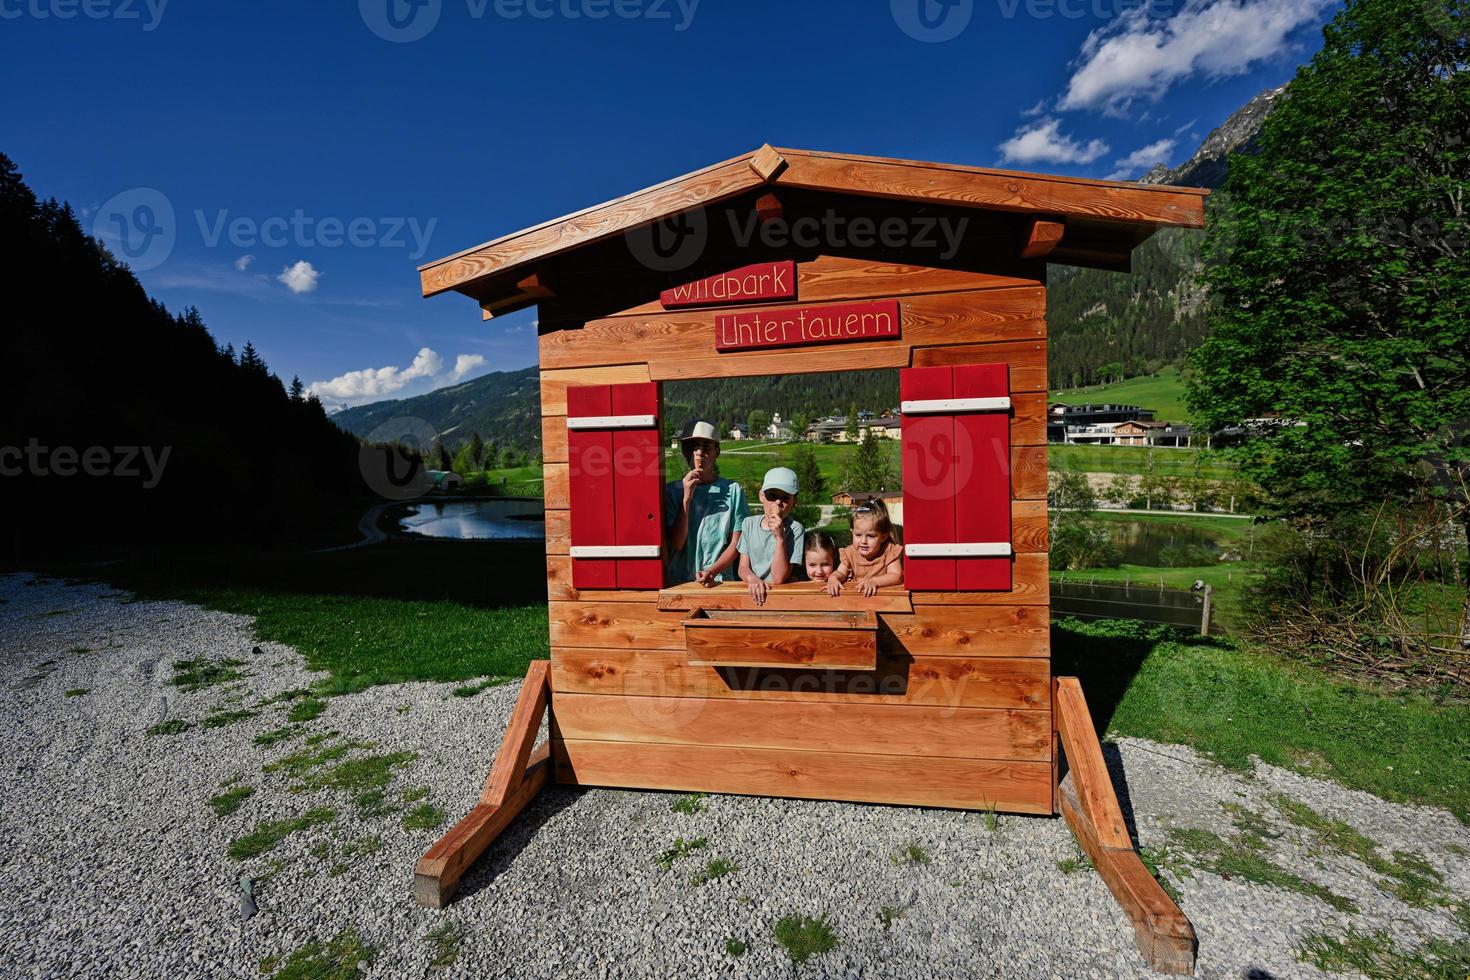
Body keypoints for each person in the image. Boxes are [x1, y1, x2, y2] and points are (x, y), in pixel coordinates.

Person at [664, 419, 745, 586]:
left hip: (718, 582)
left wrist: (712, 572)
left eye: (706, 448)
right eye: (693, 448)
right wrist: (686, 499)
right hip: (680, 582)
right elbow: (677, 544)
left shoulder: (733, 490)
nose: (699, 453)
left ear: (717, 452)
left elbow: (736, 543)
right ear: (685, 452)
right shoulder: (672, 491)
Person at [737, 466, 805, 605]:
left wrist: (780, 538)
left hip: (781, 597)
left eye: (785, 497)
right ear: (761, 496)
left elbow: (779, 577)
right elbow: (743, 567)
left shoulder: (795, 529)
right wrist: (752, 578)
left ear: (794, 502)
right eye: (772, 495)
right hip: (753, 591)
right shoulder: (748, 524)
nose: (778, 502)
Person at [826, 497, 904, 597]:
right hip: (856, 599)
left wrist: (874, 581)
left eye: (871, 536)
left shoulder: (889, 551)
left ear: (883, 537)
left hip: (883, 599)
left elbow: (896, 576)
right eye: (858, 535)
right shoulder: (849, 553)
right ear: (852, 532)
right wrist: (833, 578)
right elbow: (840, 573)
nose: (863, 541)